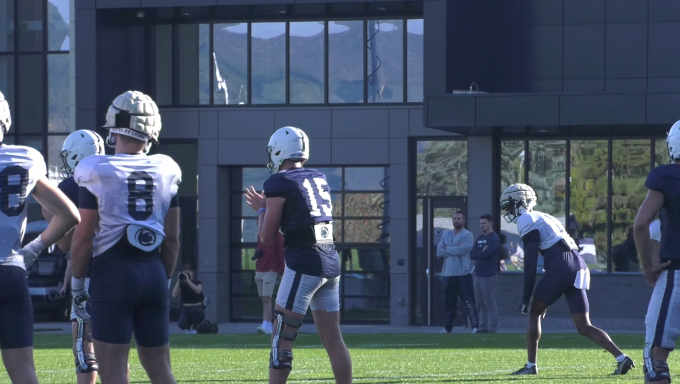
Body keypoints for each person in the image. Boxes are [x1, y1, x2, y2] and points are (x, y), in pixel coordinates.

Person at [70, 90, 182, 384]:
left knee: (113, 369)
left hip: (113, 274)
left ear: (114, 125)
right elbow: (172, 240)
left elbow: (82, 238)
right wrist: (164, 278)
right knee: (160, 369)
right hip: (154, 272)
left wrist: (78, 285)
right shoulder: (167, 168)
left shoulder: (96, 168)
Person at [244, 126, 352, 384]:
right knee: (333, 338)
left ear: (280, 151)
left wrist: (261, 209)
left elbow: (267, 238)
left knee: (281, 336)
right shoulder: (318, 176)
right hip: (330, 260)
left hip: (304, 263)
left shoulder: (278, 182)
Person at [501, 183, 634, 376]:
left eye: (510, 206)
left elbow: (529, 263)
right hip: (577, 265)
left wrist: (525, 296)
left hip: (561, 265)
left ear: (521, 203)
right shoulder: (545, 216)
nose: (509, 211)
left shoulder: (527, 219)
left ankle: (531, 366)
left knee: (533, 312)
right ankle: (621, 358)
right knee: (584, 326)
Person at [0, 90, 80, 384]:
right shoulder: (26, 158)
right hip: (12, 272)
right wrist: (34, 248)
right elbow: (71, 215)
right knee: (24, 373)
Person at [44, 130, 104, 384]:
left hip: (89, 272)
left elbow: (68, 243)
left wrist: (50, 215)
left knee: (84, 350)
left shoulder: (72, 185)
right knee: (114, 350)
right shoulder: (113, 176)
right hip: (118, 269)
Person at [632, 120, 680, 384]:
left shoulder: (666, 176)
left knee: (656, 359)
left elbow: (640, 224)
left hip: (677, 273)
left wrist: (647, 266)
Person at [436, 212, 479, 334]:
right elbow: (439, 252)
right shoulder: (446, 234)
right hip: (448, 274)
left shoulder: (467, 235)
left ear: (463, 221)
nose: (456, 220)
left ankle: (475, 326)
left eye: (459, 218)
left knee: (469, 302)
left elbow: (463, 250)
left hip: (463, 274)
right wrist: (453, 249)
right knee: (449, 303)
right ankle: (447, 327)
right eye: (454, 218)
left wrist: (447, 248)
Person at [469, 214, 500, 334]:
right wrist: (480, 252)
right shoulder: (480, 238)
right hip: (478, 274)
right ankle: (483, 327)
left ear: (490, 223)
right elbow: (472, 254)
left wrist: (479, 253)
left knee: (489, 303)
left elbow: (485, 254)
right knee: (480, 303)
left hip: (488, 275)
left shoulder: (494, 238)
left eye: (484, 223)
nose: (482, 225)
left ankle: (493, 328)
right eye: (480, 223)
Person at [254, 230, 284, 335]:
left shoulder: (277, 235)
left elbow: (281, 253)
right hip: (260, 269)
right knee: (263, 299)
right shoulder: (260, 235)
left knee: (267, 298)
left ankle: (266, 324)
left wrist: (281, 271)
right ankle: (266, 323)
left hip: (271, 269)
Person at [172, 264, 205, 334]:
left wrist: (188, 281)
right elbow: (174, 295)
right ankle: (188, 327)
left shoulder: (197, 282)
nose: (187, 275)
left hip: (197, 308)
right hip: (186, 308)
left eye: (188, 273)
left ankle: (195, 327)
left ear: (192, 273)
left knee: (194, 310)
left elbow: (198, 291)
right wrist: (179, 281)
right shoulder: (182, 284)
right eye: (185, 273)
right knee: (181, 324)